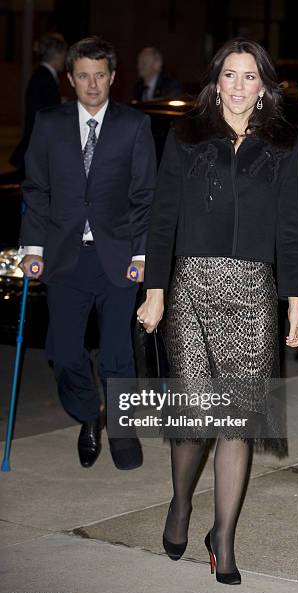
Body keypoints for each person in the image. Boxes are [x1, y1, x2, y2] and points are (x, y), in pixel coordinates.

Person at [137, 37, 298, 584]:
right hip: (189, 289)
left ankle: (224, 540)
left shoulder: (282, 145)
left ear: (263, 87)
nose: (238, 86)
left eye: (249, 77)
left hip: (253, 293)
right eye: (229, 75)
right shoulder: (185, 137)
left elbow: (291, 231)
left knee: (237, 422)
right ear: (216, 81)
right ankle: (181, 504)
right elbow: (162, 219)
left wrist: (295, 305)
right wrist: (155, 290)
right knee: (194, 420)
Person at [19, 37, 157, 470]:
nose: (92, 84)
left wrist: (141, 255)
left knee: (117, 352)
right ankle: (88, 415)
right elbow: (37, 190)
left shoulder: (134, 126)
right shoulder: (49, 123)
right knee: (63, 351)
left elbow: (144, 197)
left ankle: (121, 429)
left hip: (116, 256)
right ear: (70, 78)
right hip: (64, 256)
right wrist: (31, 248)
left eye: (100, 75)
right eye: (83, 76)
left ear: (113, 78)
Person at [10, 33, 67, 173]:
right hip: (38, 146)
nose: (65, 60)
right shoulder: (45, 79)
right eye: (64, 55)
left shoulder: (42, 75)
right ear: (57, 56)